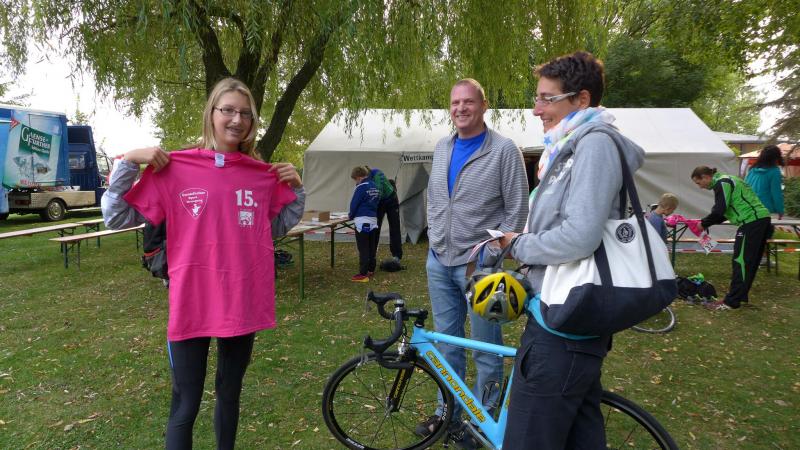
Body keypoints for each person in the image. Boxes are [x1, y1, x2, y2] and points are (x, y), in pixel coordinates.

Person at [101, 77, 305, 449]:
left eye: (245, 113)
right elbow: (116, 218)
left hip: (241, 300)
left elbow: (275, 226)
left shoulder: (260, 174)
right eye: (228, 110)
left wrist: (297, 189)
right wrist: (128, 162)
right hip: (191, 302)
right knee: (185, 403)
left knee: (230, 394)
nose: (237, 120)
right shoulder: (175, 168)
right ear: (211, 114)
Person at [498, 51, 645, 449]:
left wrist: (519, 245)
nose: (536, 109)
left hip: (563, 325)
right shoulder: (568, 146)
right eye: (537, 97)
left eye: (547, 99)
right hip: (567, 319)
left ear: (582, 99)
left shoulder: (594, 145)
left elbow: (580, 236)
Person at [421, 78, 528, 448]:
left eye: (468, 102)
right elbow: (435, 198)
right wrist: (435, 236)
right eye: (455, 103)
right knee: (446, 343)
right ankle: (446, 413)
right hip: (439, 261)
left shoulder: (503, 150)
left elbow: (517, 209)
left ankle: (484, 420)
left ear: (483, 106)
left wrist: (492, 253)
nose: (461, 108)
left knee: (486, 347)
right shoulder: (442, 147)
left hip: (481, 268)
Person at [691, 166, 771, 310]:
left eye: (698, 183)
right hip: (762, 219)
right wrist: (706, 222)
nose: (700, 187)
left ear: (705, 177)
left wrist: (703, 223)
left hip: (751, 221)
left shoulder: (722, 183)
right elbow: (724, 213)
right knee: (750, 262)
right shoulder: (728, 180)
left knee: (740, 261)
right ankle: (740, 297)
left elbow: (719, 210)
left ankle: (730, 302)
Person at [348, 165, 380, 282]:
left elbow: (354, 204)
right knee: (372, 246)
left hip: (362, 221)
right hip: (373, 220)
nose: (355, 182)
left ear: (359, 177)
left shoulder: (361, 187)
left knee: (363, 248)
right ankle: (371, 269)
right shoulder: (375, 186)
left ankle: (363, 273)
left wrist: (350, 215)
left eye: (355, 180)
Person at [368, 166, 403, 262]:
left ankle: (397, 255)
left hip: (391, 200)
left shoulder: (377, 173)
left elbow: (378, 191)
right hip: (380, 202)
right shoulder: (365, 180)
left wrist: (372, 202)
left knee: (394, 227)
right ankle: (372, 255)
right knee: (376, 227)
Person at [745, 145, 784, 219]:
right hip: (765, 209)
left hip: (749, 207)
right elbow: (776, 193)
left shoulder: (752, 170)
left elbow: (745, 188)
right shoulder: (774, 171)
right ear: (776, 158)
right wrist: (780, 210)